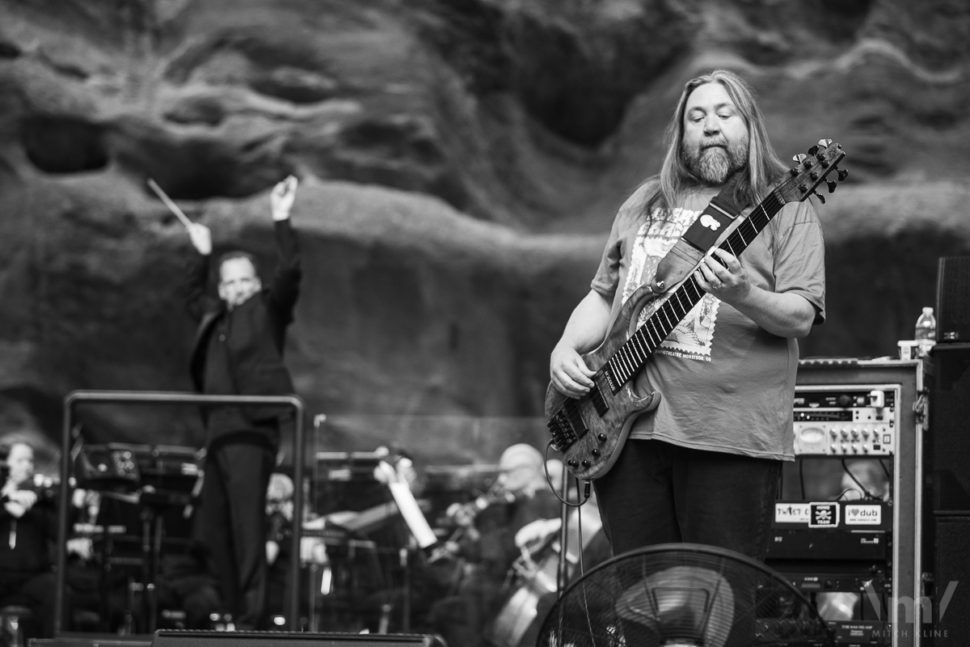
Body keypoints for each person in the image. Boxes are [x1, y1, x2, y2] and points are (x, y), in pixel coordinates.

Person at [548, 69, 826, 563]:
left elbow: (800, 316)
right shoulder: (642, 202)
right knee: (642, 604)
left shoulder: (786, 208)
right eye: (696, 117)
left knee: (721, 607)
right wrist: (565, 348)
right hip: (622, 436)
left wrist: (743, 293)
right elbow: (603, 295)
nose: (710, 125)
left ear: (750, 125)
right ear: (681, 134)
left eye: (725, 113)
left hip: (728, 439)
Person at [182, 175, 302, 629]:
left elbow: (289, 273)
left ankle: (251, 617)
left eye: (243, 280)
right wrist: (200, 252)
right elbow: (192, 296)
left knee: (249, 527)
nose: (235, 288)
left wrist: (281, 217)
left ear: (254, 283)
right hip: (217, 435)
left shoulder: (265, 311)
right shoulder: (215, 318)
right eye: (228, 282)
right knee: (215, 530)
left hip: (251, 432)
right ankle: (234, 612)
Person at [430, 443, 560, 647]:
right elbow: (503, 544)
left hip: (515, 594)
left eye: (507, 473)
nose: (501, 480)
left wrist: (465, 546)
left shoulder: (537, 504)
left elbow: (506, 553)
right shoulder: (526, 503)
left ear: (526, 472)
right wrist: (466, 542)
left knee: (460, 602)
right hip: (508, 587)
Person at [0, 441, 60, 640]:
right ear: (6, 464)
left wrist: (35, 507)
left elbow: (57, 531)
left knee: (56, 592)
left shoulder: (43, 499)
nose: (26, 465)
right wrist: (7, 499)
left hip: (32, 577)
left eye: (30, 461)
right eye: (20, 460)